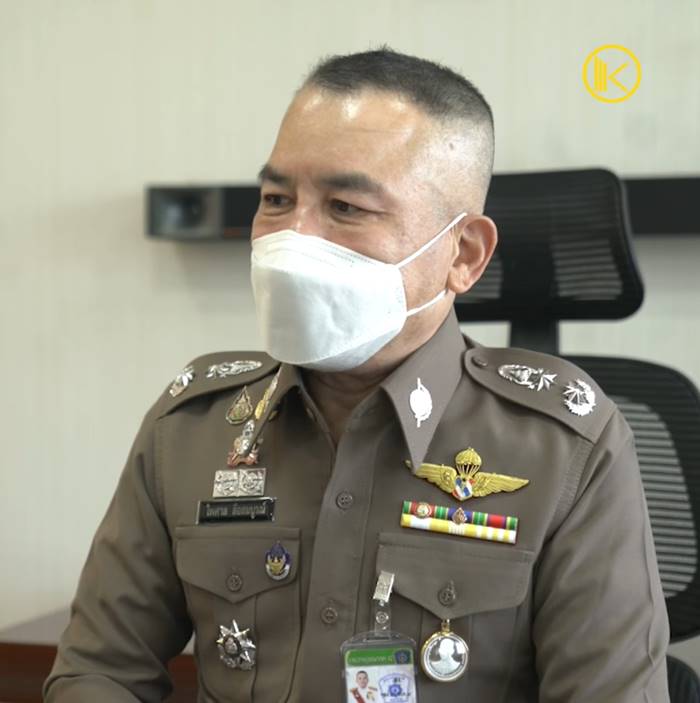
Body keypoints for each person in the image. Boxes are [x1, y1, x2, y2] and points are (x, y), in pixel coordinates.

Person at [44, 47, 670, 702]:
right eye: (276, 198)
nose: (294, 239)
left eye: (346, 207)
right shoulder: (192, 428)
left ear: (463, 254)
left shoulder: (566, 450)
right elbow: (99, 670)